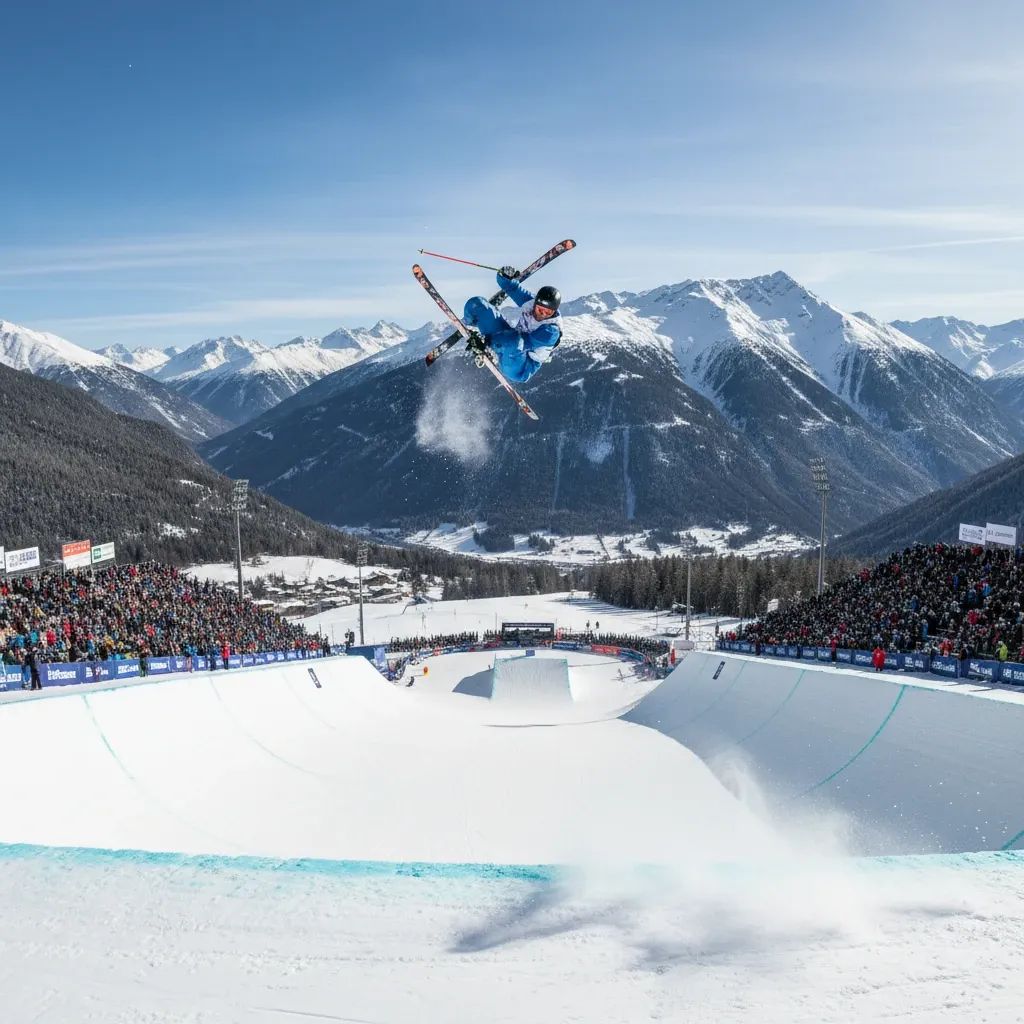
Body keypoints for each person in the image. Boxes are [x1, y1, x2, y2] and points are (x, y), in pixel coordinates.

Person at [462, 267, 562, 383]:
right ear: (535, 304)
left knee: (516, 341)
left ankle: (492, 352)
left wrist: (486, 343)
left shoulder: (551, 331)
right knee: (477, 304)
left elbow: (523, 344)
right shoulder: (530, 302)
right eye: (541, 310)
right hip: (508, 338)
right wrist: (504, 276)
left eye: (549, 313)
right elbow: (512, 288)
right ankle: (471, 323)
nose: (543, 315)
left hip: (521, 366)